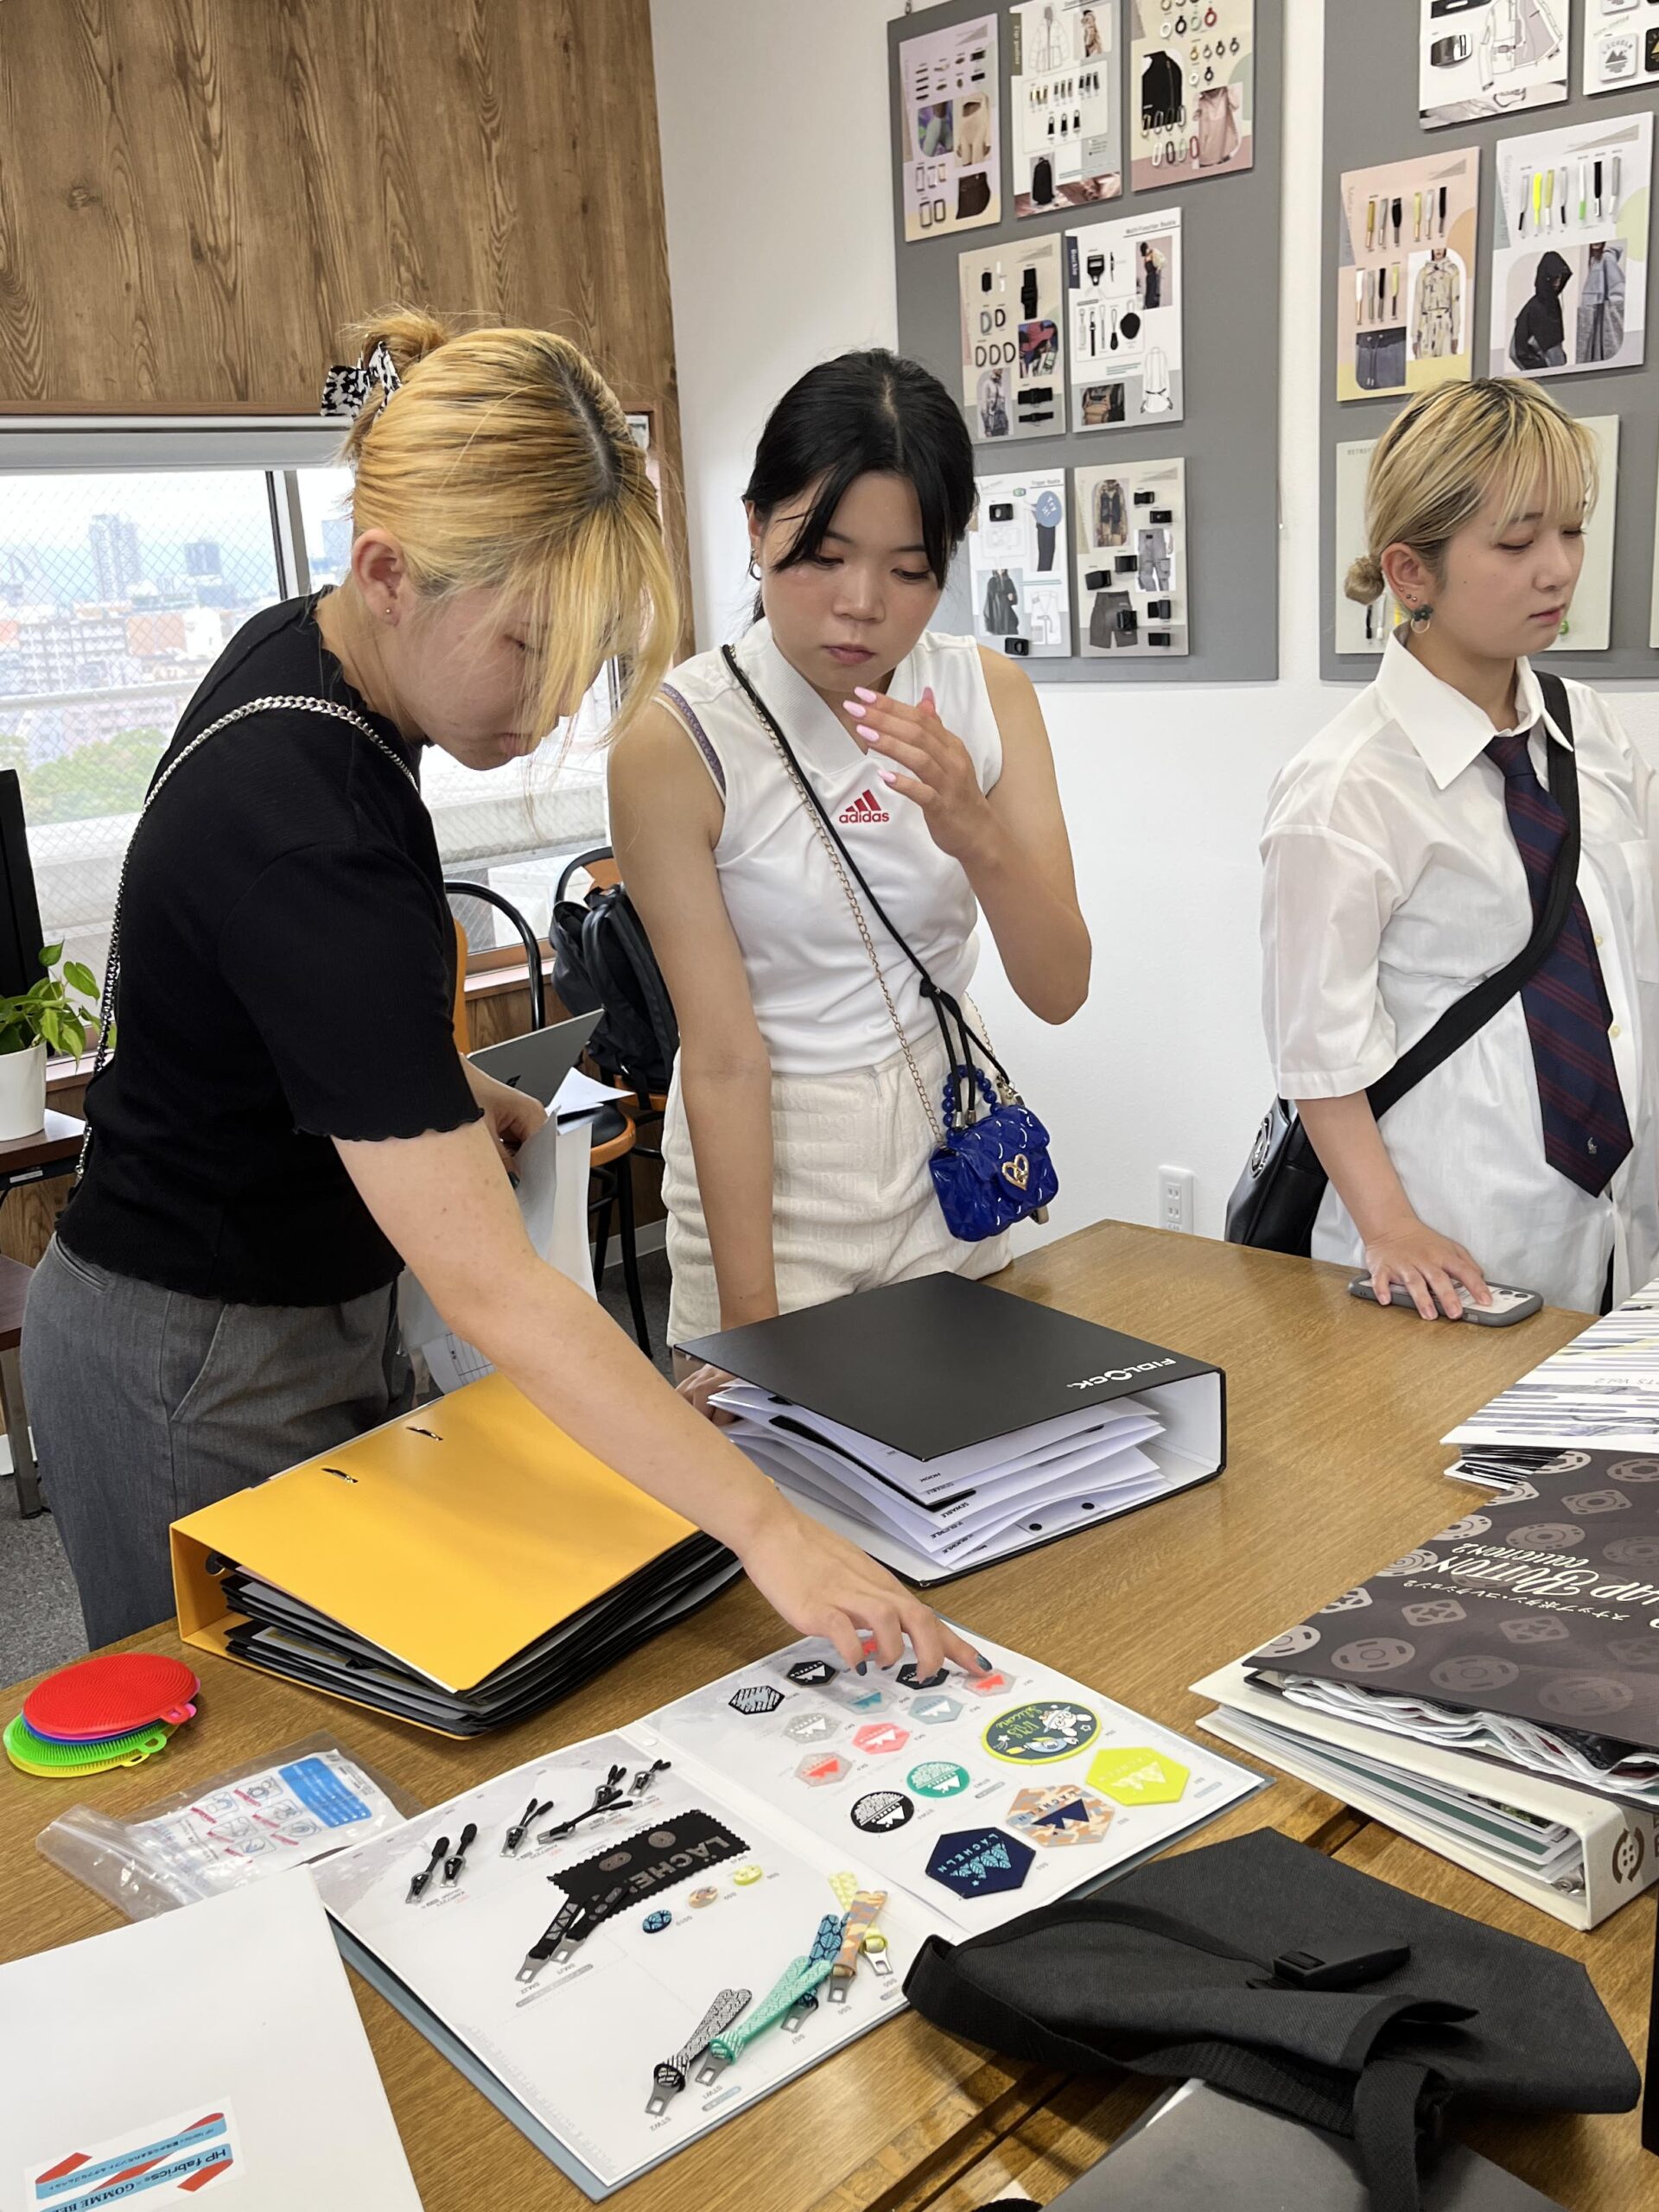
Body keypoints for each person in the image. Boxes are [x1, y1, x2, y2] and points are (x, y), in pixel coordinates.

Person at [25, 308, 985, 1686]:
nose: (551, 709)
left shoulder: (320, 660)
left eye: (585, 661)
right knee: (238, 1735)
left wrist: (438, 1085)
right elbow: (492, 1287)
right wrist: (776, 1534)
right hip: (191, 1345)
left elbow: (270, 998)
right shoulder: (308, 821)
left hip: (312, 1290)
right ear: (387, 572)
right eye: (530, 648)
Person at [609, 349, 1089, 1408]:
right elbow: (723, 1057)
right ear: (754, 528)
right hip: (769, 1180)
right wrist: (753, 1335)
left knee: (975, 1459)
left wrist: (973, 829)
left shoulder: (986, 693)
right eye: (822, 556)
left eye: (909, 570)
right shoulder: (676, 744)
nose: (862, 605)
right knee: (784, 1481)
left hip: (945, 1144)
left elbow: (1060, 986)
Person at [1260, 378, 1659, 1320]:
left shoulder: (1590, 730)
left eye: (1572, 531)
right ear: (1411, 573)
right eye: (1517, 543)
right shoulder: (1345, 788)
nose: (1559, 570)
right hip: (1449, 1261)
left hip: (1618, 1231)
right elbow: (1316, 1053)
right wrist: (1393, 1229)